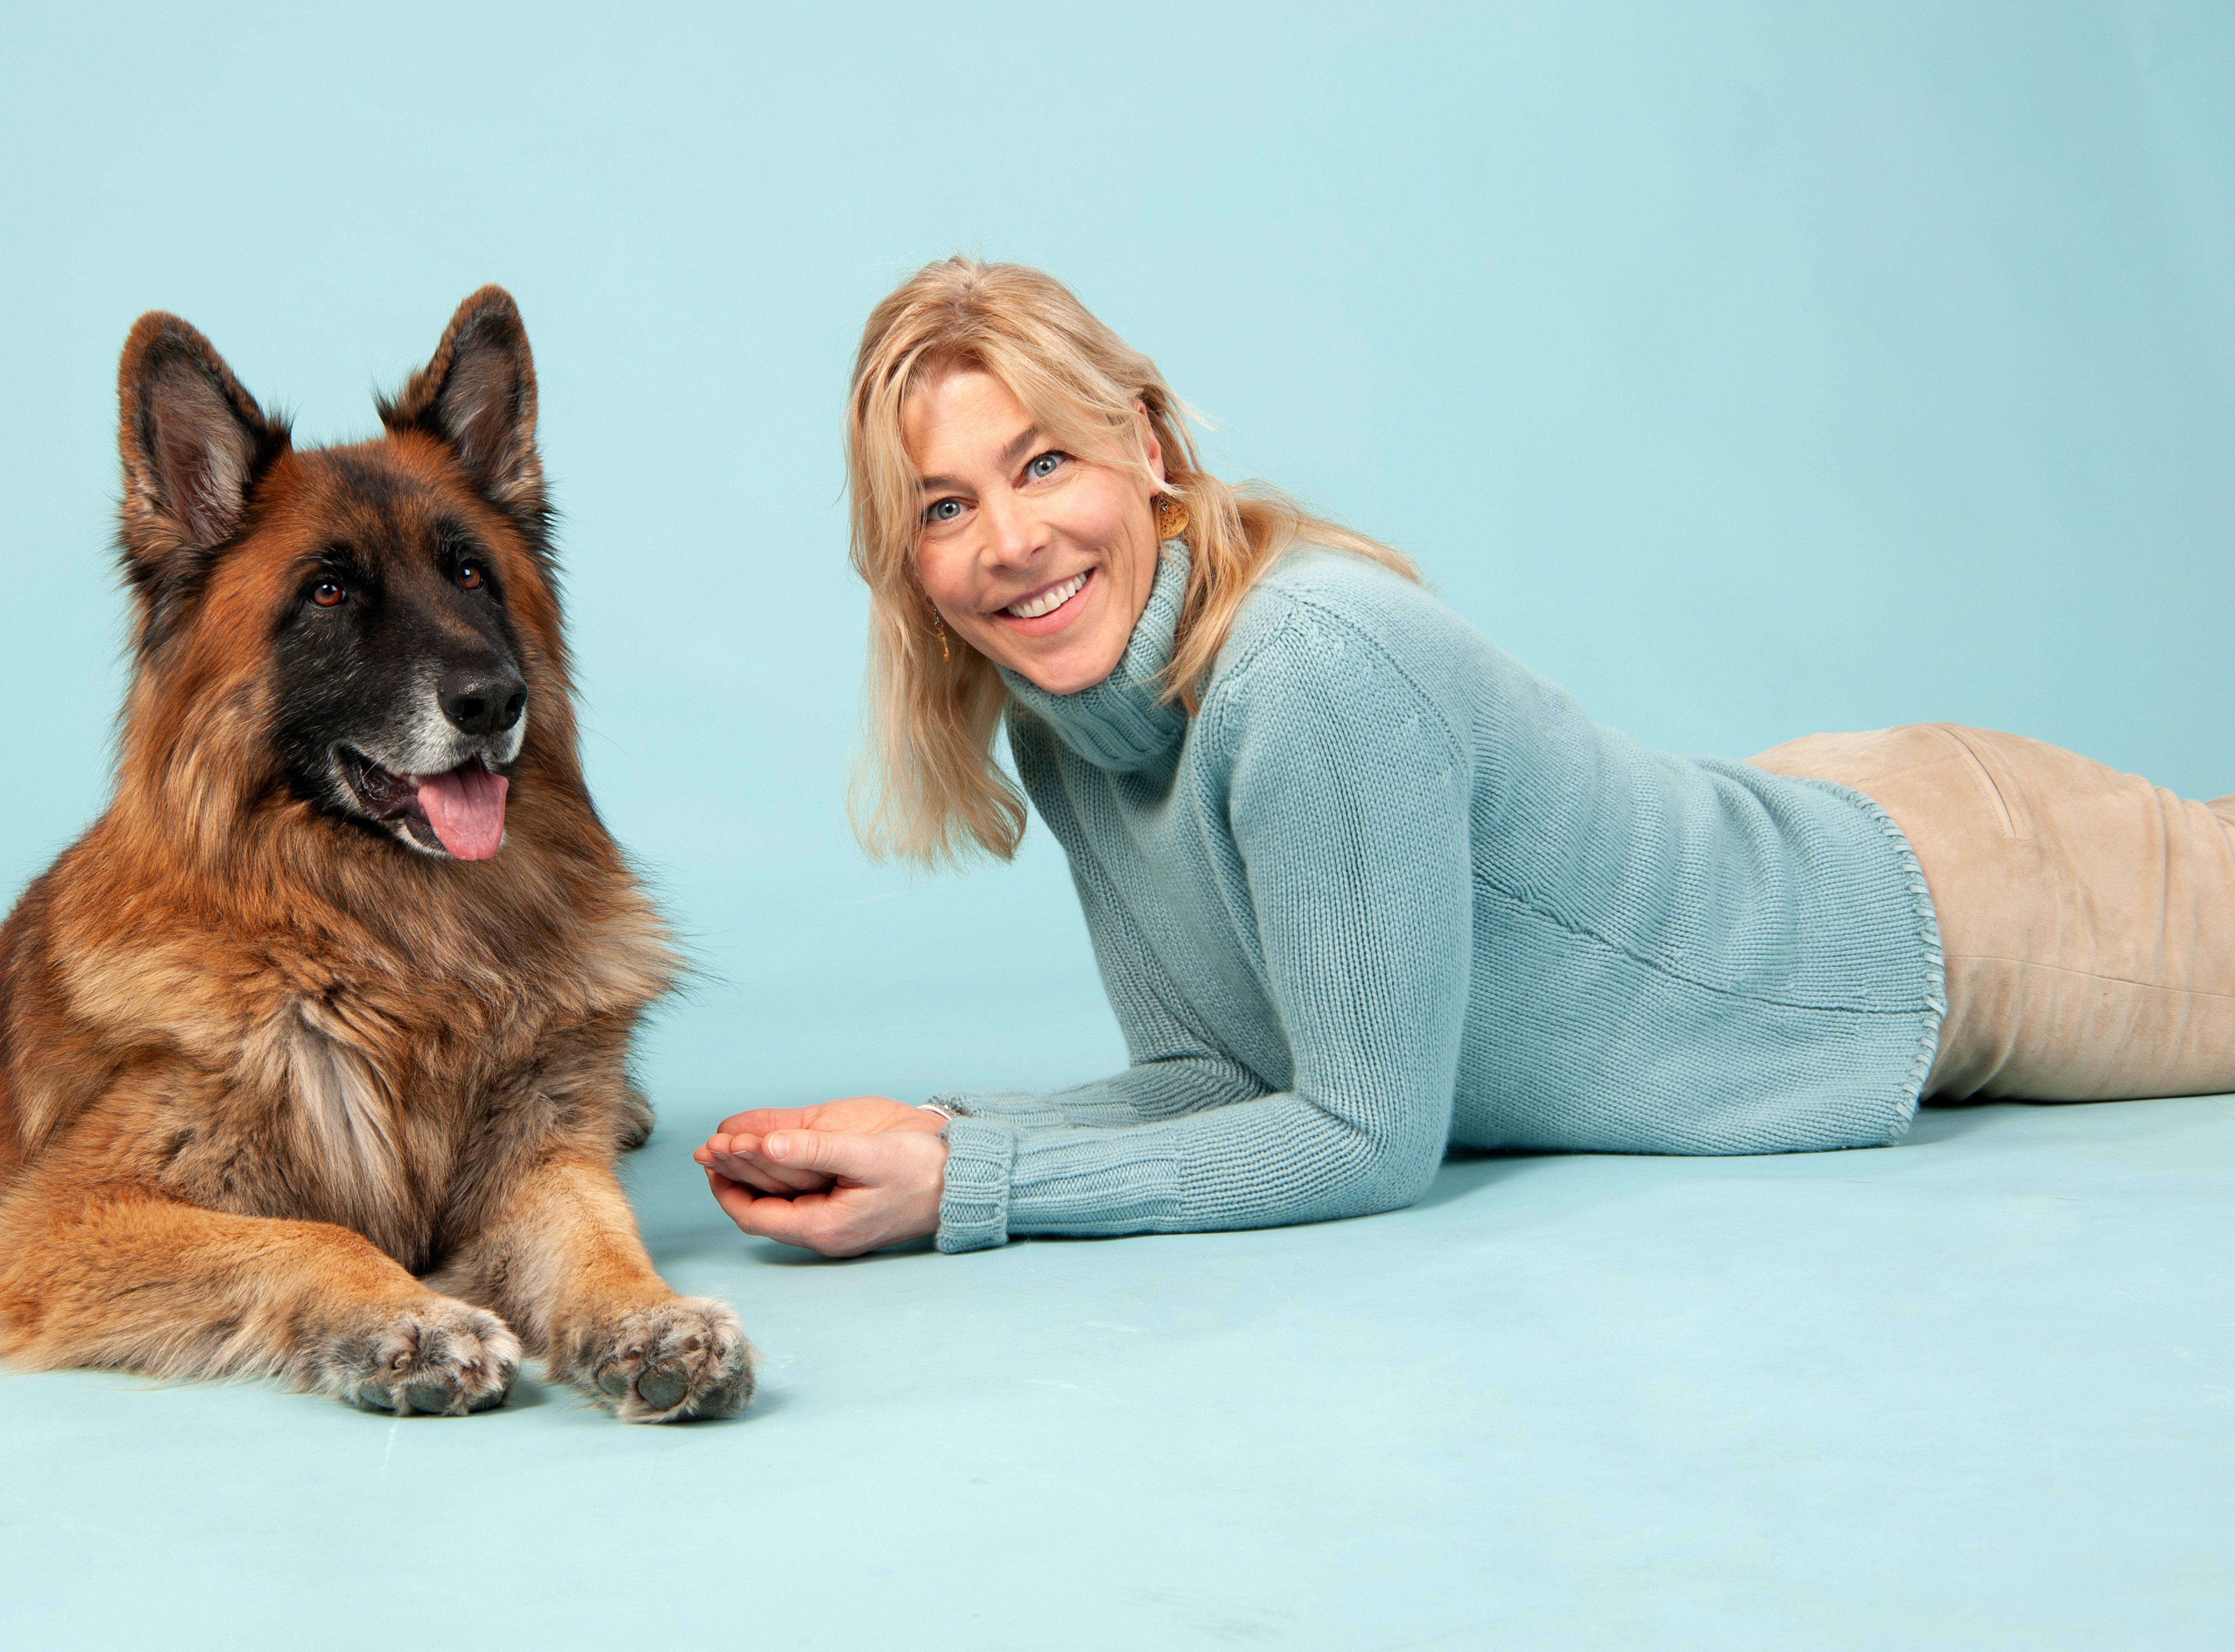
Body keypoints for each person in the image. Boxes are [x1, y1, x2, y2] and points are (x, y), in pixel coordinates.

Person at [694, 257, 2235, 1259]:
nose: (1012, 541)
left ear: (1148, 454)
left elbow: (1366, 1138)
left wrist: (973, 1191)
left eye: (1044, 463)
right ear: (909, 563)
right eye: (946, 506)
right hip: (1800, 821)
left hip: (1962, 917)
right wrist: (941, 1137)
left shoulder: (1305, 672)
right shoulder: (1076, 718)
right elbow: (1222, 1077)